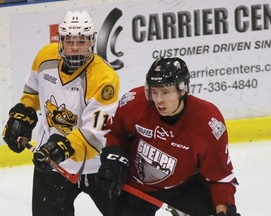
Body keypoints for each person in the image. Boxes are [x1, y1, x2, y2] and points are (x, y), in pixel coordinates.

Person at [2, 10, 119, 216]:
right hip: (52, 164)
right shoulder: (45, 57)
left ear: (91, 41)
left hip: (97, 166)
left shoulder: (104, 78)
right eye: (70, 40)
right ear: (61, 41)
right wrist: (24, 113)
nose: (75, 47)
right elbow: (32, 92)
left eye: (81, 41)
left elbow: (95, 134)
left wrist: (63, 147)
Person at [96, 57, 241, 216]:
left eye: (165, 92)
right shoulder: (135, 102)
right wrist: (113, 157)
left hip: (185, 187)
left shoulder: (207, 121)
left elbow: (219, 176)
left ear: (182, 89)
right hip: (136, 187)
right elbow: (115, 132)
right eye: (154, 92)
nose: (158, 100)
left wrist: (224, 206)